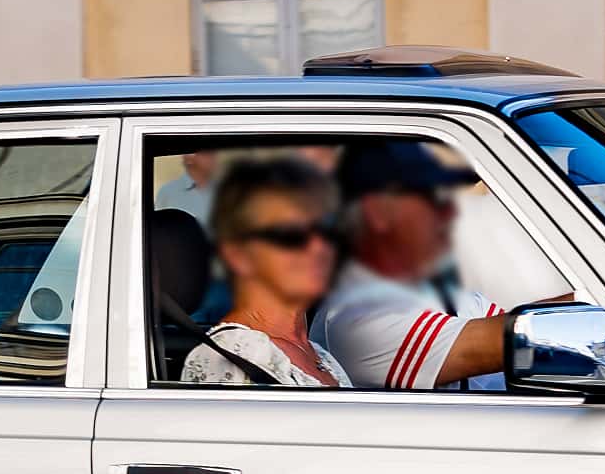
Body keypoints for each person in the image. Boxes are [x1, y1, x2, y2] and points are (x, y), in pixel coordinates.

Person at [319, 139, 551, 390]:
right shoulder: (361, 310)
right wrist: (587, 303)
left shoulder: (438, 288)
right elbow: (519, 340)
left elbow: (529, 322)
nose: (451, 211)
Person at [179, 155, 351, 386]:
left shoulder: (321, 355)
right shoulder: (227, 358)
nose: (319, 247)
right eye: (290, 234)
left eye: (326, 231)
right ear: (239, 255)